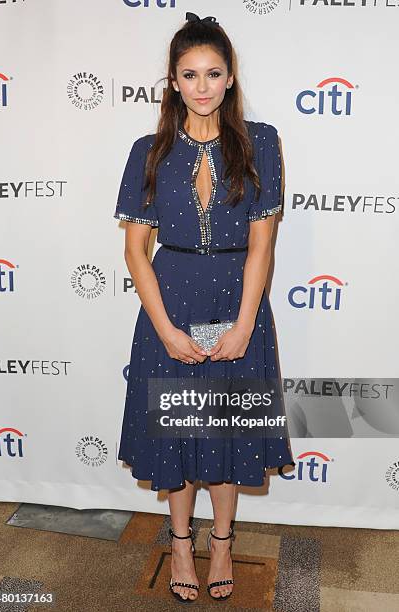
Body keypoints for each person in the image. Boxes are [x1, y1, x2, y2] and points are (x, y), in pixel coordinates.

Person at [114, 12, 294, 604]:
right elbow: (136, 251)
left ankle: (221, 543)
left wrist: (245, 325)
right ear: (171, 80)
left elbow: (262, 244)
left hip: (236, 302)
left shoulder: (260, 141)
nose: (202, 86)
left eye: (213, 73)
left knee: (225, 435)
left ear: (230, 77)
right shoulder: (149, 151)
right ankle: (183, 544)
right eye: (189, 74)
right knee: (178, 435)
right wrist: (164, 328)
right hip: (171, 302)